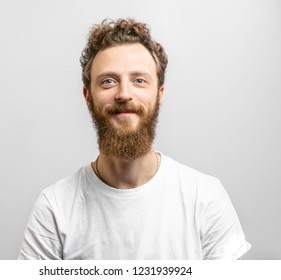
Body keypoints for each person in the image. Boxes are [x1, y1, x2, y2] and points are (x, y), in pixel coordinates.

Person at [17, 18, 251, 260]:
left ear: (159, 95)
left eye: (139, 80)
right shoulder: (54, 208)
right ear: (88, 97)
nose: (124, 94)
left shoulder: (205, 197)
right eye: (108, 81)